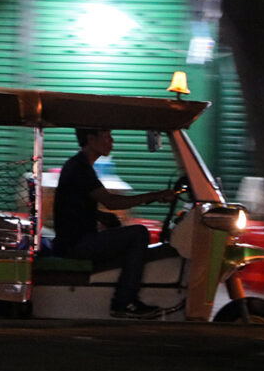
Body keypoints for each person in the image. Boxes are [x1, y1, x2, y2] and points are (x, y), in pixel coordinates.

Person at [52, 128, 176, 318]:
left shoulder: (80, 165)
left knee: (121, 229)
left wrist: (100, 216)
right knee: (139, 233)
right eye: (107, 136)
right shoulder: (80, 168)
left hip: (74, 238)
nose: (112, 141)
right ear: (91, 139)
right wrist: (156, 195)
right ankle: (124, 302)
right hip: (75, 244)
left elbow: (76, 204)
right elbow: (112, 202)